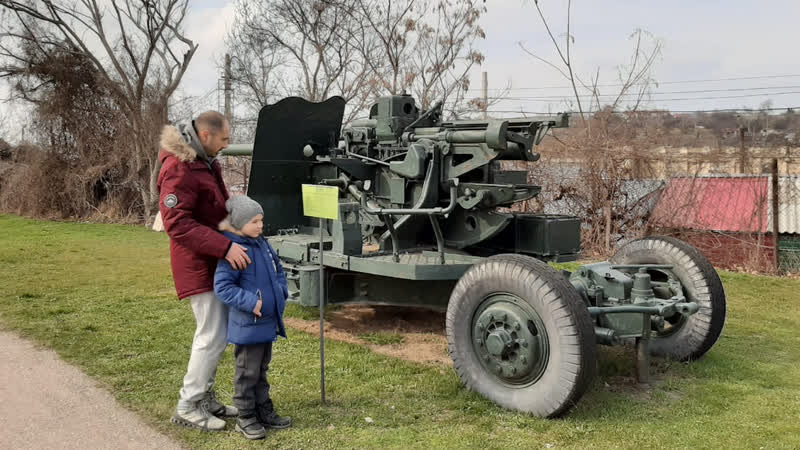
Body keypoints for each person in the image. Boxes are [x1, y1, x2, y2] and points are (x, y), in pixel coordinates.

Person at [158, 111, 252, 431]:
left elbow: (212, 208)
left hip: (213, 262)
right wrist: (225, 247)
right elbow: (177, 223)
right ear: (207, 135)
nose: (228, 145)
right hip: (198, 264)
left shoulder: (204, 162)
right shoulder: (179, 167)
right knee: (210, 335)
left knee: (218, 334)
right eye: (225, 139)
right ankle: (188, 404)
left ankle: (204, 399)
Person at [214, 195, 292, 440]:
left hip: (267, 321)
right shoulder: (234, 250)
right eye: (254, 221)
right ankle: (245, 416)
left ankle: (263, 409)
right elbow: (223, 287)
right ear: (239, 223)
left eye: (261, 220)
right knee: (247, 371)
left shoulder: (262, 244)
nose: (260, 225)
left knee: (261, 369)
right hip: (249, 324)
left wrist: (281, 290)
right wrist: (252, 302)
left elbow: (277, 268)